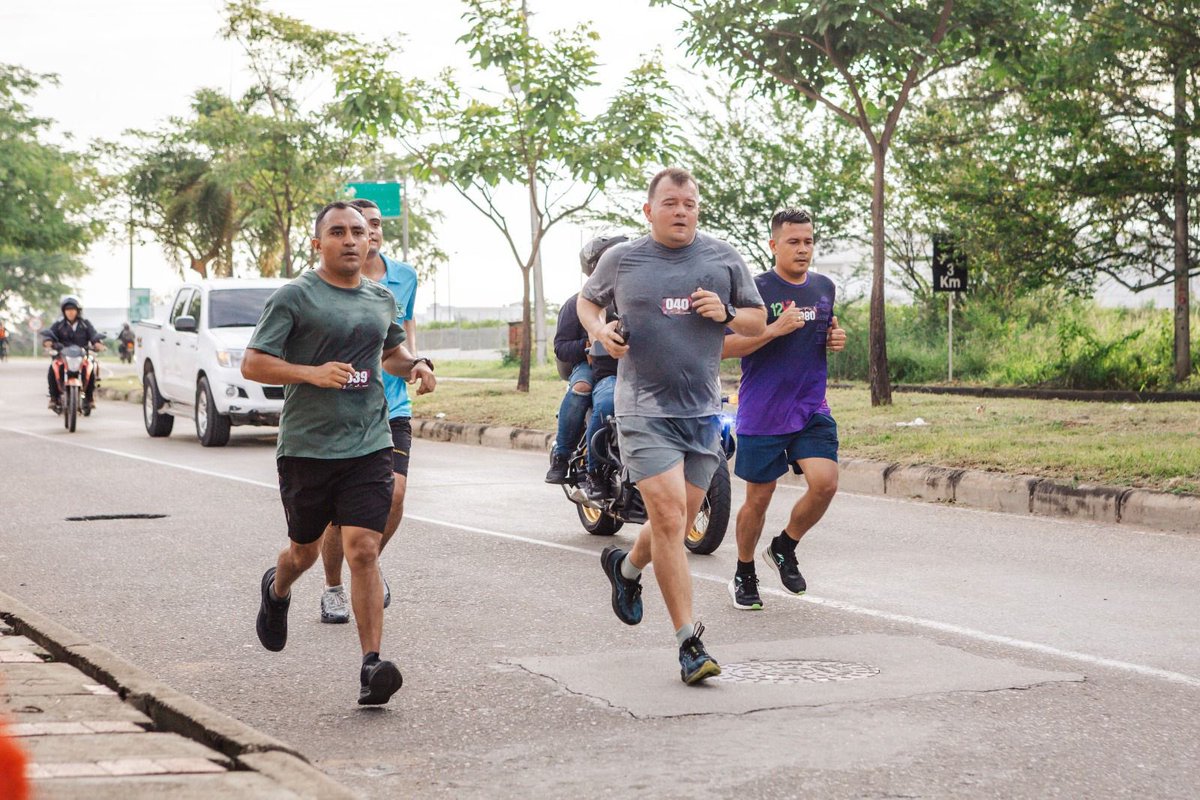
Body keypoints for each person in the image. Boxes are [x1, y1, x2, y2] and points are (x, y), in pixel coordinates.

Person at [577, 167, 766, 684]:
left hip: (701, 411)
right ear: (649, 210)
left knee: (677, 523)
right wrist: (600, 330)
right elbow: (586, 301)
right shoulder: (624, 259)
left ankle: (627, 568)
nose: (682, 211)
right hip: (643, 409)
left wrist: (724, 310)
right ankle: (689, 644)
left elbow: (756, 319)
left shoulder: (723, 258)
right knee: (665, 518)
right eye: (671, 203)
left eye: (690, 203)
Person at [242, 201, 426, 706]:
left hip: (368, 441)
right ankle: (276, 590)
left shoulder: (381, 299)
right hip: (307, 447)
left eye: (359, 232)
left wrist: (415, 366)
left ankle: (372, 664)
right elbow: (254, 364)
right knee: (303, 551)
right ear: (317, 243)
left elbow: (391, 352)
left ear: (370, 242)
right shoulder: (294, 297)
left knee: (363, 549)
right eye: (338, 232)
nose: (350, 240)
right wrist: (311, 373)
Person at [317, 198, 436, 625]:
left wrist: (417, 361)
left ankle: (364, 565)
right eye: (360, 225)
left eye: (374, 225)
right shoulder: (324, 284)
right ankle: (333, 585)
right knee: (338, 513)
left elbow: (402, 331)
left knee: (395, 496)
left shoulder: (402, 277)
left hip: (393, 405)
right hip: (345, 409)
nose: (370, 232)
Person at [722, 208, 847, 610]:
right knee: (759, 499)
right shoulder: (754, 292)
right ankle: (744, 571)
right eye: (793, 241)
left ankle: (784, 546)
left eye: (808, 241)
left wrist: (835, 338)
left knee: (825, 483)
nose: (803, 248)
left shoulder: (825, 286)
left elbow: (827, 327)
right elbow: (724, 347)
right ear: (773, 245)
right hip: (763, 410)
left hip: (811, 405)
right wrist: (773, 329)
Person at [544, 290, 594, 484]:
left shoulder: (632, 296)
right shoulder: (575, 304)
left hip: (628, 364)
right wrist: (587, 344)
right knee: (581, 386)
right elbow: (561, 347)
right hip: (587, 364)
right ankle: (561, 456)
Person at [42, 296, 105, 412]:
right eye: (67, 310)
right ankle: (54, 398)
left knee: (91, 368)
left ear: (78, 311)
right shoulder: (59, 324)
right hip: (62, 356)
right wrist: (48, 341)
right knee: (53, 368)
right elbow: (50, 334)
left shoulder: (85, 324)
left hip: (82, 355)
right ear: (64, 312)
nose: (70, 312)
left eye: (72, 309)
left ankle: (90, 398)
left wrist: (97, 343)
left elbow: (94, 335)